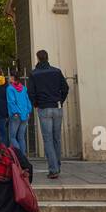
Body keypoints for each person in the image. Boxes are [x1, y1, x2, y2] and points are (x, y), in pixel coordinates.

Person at [27, 50, 69, 179]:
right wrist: (60, 100)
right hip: (57, 107)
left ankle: (53, 168)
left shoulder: (34, 74)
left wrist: (36, 103)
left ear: (38, 59)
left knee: (48, 139)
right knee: (56, 138)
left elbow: (31, 92)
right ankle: (57, 165)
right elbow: (65, 88)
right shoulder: (56, 71)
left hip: (44, 107)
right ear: (47, 58)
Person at [6, 68, 33, 154]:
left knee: (12, 137)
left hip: (15, 115)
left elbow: (11, 102)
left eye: (10, 76)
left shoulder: (10, 88)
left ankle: (19, 156)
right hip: (25, 114)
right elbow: (28, 100)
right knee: (21, 137)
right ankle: (23, 157)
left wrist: (15, 112)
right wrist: (28, 111)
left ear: (13, 77)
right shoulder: (23, 88)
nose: (8, 78)